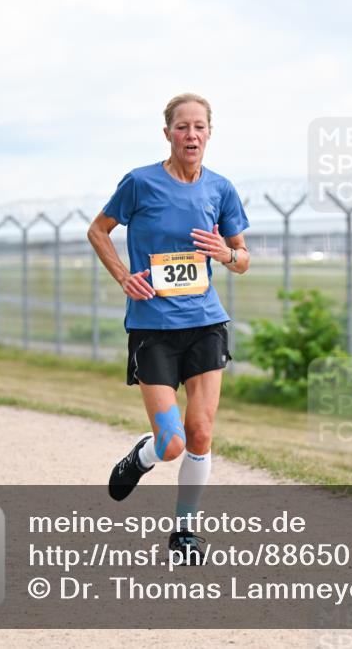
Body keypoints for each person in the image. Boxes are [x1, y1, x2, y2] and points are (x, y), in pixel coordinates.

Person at [87, 93, 249, 565]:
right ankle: (142, 457)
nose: (191, 135)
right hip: (153, 328)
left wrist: (226, 254)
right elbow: (98, 230)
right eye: (182, 127)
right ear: (168, 134)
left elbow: (242, 259)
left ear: (209, 133)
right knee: (171, 443)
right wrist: (123, 275)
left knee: (199, 432)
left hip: (206, 325)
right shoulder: (139, 183)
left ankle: (184, 530)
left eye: (199, 127)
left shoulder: (221, 189)